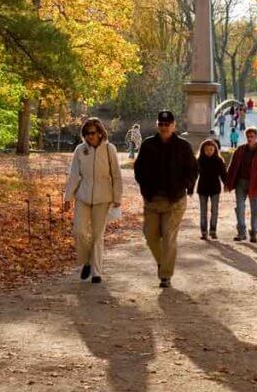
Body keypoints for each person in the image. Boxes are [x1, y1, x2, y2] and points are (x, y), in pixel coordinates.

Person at [134, 110, 198, 289]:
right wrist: (145, 189)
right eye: (161, 124)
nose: (164, 127)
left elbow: (193, 169)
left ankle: (165, 275)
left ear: (174, 125)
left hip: (174, 200)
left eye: (167, 124)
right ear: (157, 125)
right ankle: (164, 262)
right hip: (152, 199)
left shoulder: (183, 146)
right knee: (150, 235)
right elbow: (138, 170)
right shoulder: (148, 145)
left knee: (169, 237)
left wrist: (185, 185)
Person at [64, 117, 123, 284]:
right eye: (86, 134)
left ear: (99, 133)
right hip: (83, 196)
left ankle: (96, 272)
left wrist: (117, 197)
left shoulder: (109, 149)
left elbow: (116, 175)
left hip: (103, 198)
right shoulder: (80, 150)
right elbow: (74, 175)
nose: (89, 137)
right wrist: (68, 197)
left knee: (97, 235)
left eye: (92, 133)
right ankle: (87, 261)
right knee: (79, 231)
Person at [226, 126, 257, 243]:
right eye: (248, 136)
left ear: (256, 137)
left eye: (252, 137)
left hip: (255, 183)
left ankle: (254, 233)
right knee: (240, 208)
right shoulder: (240, 150)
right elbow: (232, 167)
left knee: (255, 209)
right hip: (241, 182)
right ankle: (241, 232)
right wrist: (228, 183)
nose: (249, 139)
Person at [197, 138, 227, 239]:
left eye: (211, 149)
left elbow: (223, 174)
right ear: (203, 150)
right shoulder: (199, 161)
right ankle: (204, 231)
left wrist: (227, 184)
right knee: (203, 211)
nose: (209, 152)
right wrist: (190, 187)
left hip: (215, 189)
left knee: (214, 210)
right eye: (206, 150)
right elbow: (193, 175)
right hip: (202, 189)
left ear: (215, 150)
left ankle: (213, 230)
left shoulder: (218, 161)